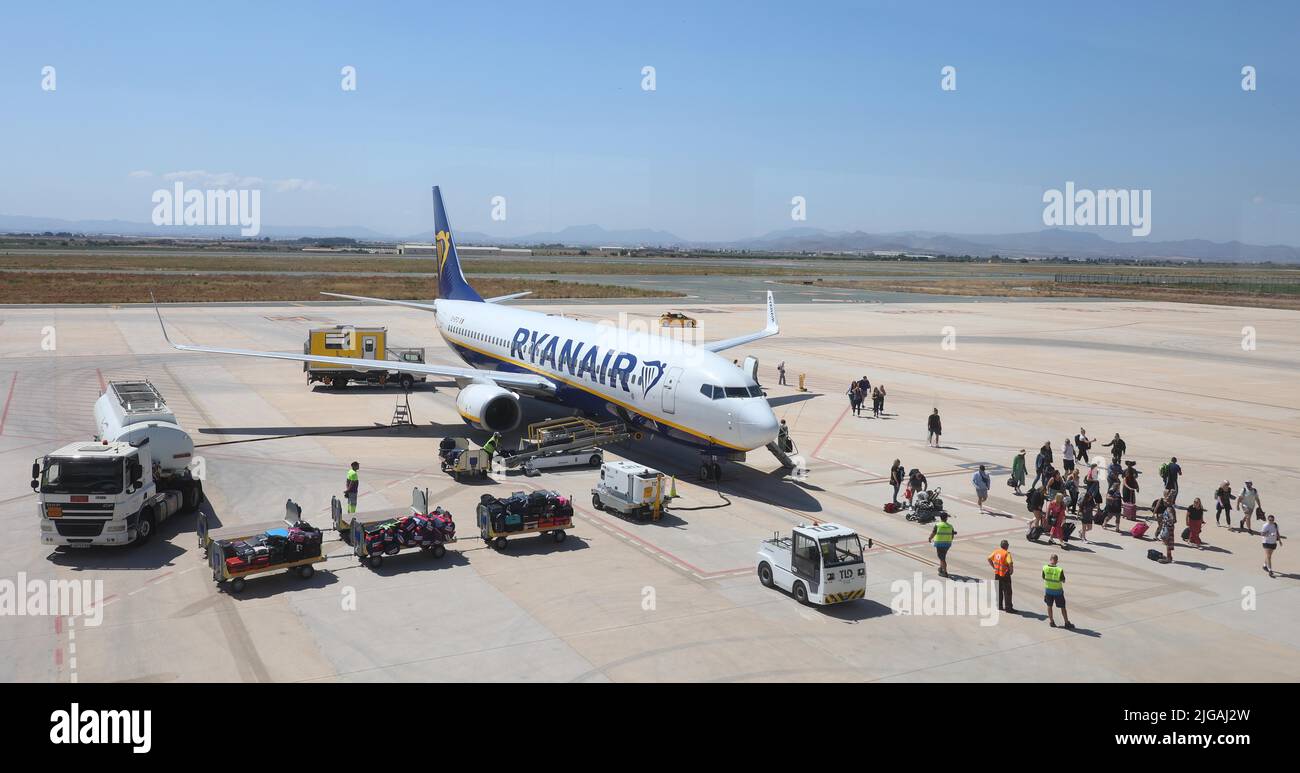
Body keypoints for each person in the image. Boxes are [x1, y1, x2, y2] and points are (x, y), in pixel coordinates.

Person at [1042, 554, 1074, 629]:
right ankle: (1066, 622)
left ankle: (1051, 621)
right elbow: (1063, 580)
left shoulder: (1045, 568)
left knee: (1049, 606)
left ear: (1050, 559)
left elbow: (1043, 577)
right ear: (1057, 561)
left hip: (1048, 591)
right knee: (1063, 607)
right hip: (1058, 592)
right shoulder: (1059, 569)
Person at [987, 540, 1015, 613]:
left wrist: (994, 567)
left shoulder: (996, 551)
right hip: (1005, 574)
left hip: (997, 574)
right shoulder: (1007, 553)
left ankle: (999, 606)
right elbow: (1010, 563)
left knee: (999, 590)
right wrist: (1011, 570)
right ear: (1006, 546)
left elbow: (989, 558)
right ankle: (1008, 608)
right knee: (1007, 592)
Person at [928, 513, 956, 578]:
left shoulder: (938, 525)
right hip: (947, 544)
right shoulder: (950, 526)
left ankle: (945, 572)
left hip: (939, 544)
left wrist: (930, 538)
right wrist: (949, 540)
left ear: (940, 518)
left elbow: (933, 533)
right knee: (943, 556)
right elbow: (952, 535)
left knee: (942, 558)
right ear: (946, 518)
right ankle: (941, 568)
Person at [1156, 496, 1177, 562]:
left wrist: (1167, 521)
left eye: (1166, 501)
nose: (1164, 502)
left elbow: (1173, 519)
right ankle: (1169, 556)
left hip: (1168, 527)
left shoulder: (1169, 509)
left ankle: (1168, 557)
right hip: (1169, 527)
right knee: (1168, 542)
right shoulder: (1171, 508)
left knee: (1167, 542)